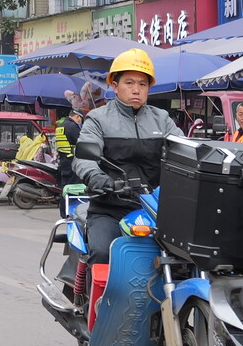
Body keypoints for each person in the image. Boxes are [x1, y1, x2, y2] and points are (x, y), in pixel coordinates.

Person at [71, 47, 178, 260]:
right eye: (129, 83)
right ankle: (99, 293)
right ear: (115, 85)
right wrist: (96, 176)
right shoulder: (98, 119)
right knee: (103, 253)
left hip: (155, 209)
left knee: (186, 257)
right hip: (110, 208)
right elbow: (84, 157)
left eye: (142, 84)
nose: (136, 90)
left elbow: (184, 152)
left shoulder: (163, 119)